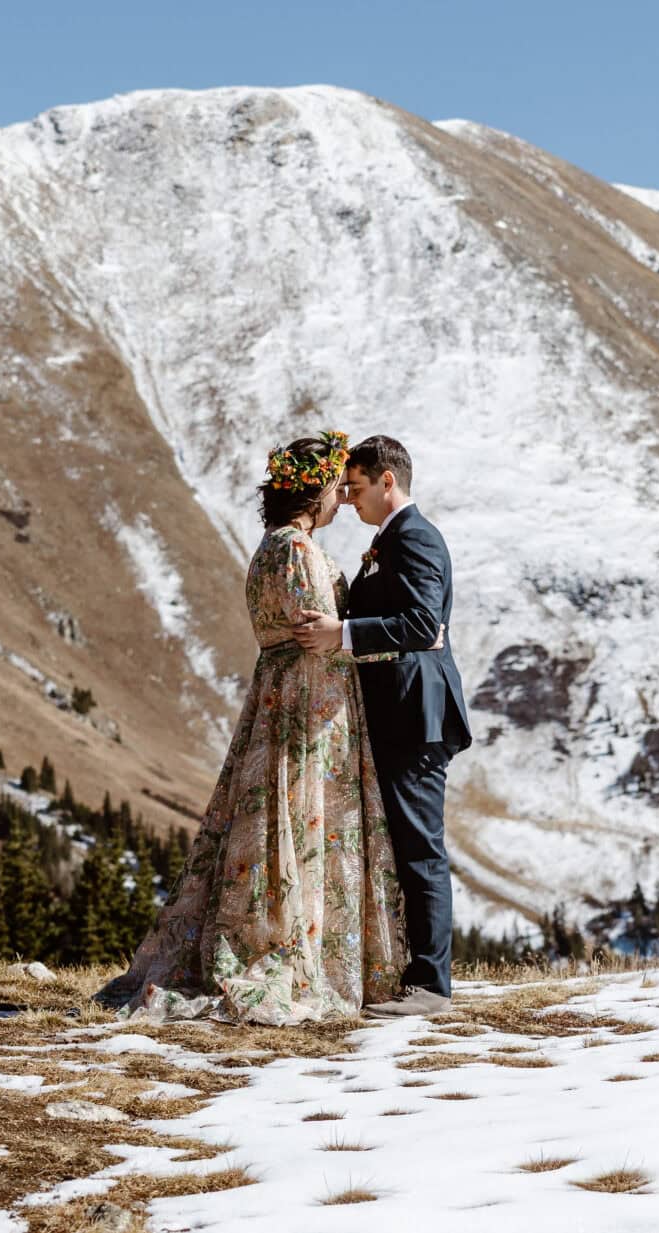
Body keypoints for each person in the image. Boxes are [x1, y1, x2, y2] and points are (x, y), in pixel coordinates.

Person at [94, 431, 407, 1023]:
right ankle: (292, 950)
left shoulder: (271, 546)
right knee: (300, 812)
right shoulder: (296, 549)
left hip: (281, 694)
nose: (341, 500)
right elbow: (317, 632)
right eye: (335, 489)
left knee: (275, 813)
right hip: (308, 700)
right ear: (313, 492)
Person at [291, 434, 471, 1018]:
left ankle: (432, 986)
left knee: (420, 848)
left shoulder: (415, 537)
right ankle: (410, 973)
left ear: (387, 481)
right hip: (398, 712)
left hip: (417, 716)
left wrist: (341, 635)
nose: (347, 500)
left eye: (355, 487)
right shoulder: (390, 540)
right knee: (405, 845)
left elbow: (421, 624)